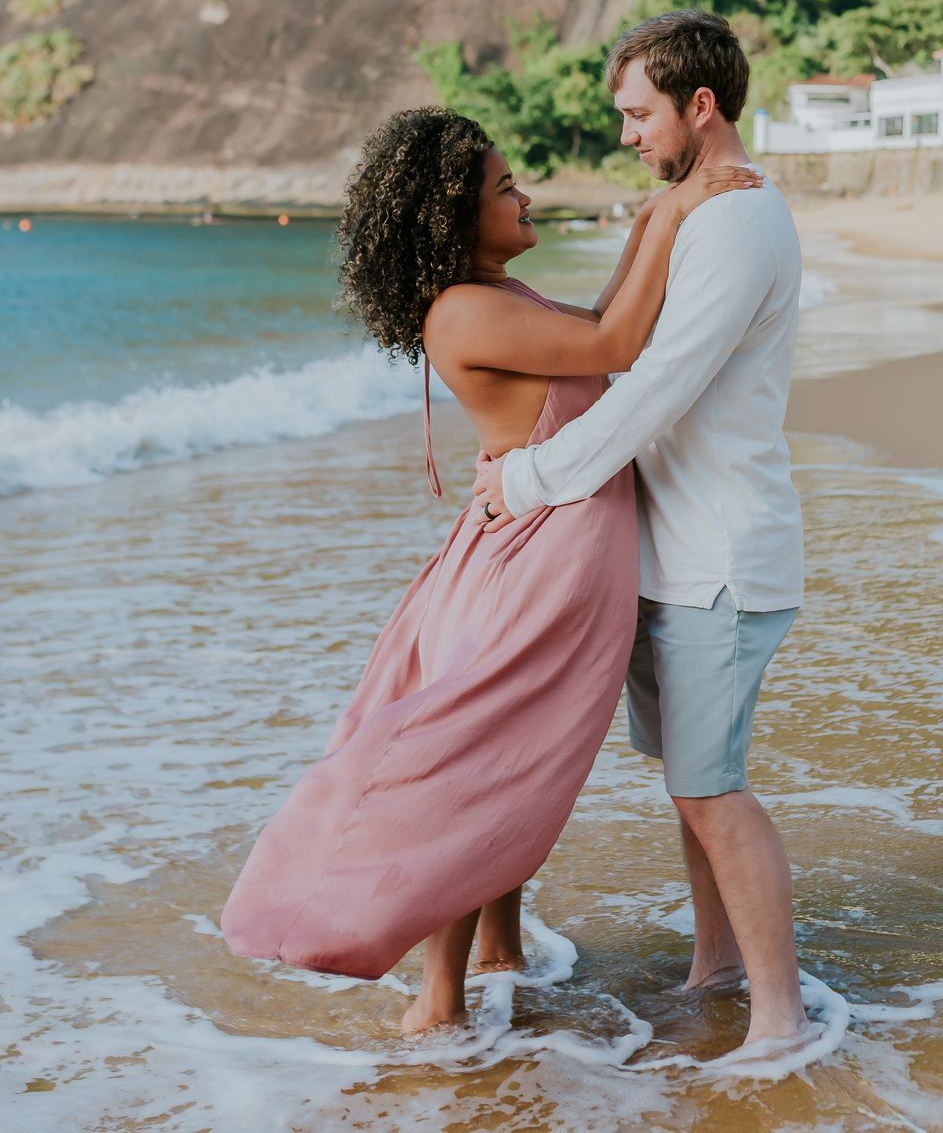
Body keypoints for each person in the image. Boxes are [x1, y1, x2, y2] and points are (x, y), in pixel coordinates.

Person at [220, 105, 758, 1034]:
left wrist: (645, 224)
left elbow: (597, 323)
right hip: (538, 555)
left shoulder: (501, 295)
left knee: (507, 759)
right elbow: (616, 347)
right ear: (452, 215)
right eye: (506, 187)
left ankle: (499, 951)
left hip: (536, 544)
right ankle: (439, 998)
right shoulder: (466, 310)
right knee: (477, 764)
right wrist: (675, 211)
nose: (525, 195)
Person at [473, 10, 810, 1054]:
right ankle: (717, 970)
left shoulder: (738, 220)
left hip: (719, 557)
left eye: (637, 113)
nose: (626, 133)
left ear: (698, 106)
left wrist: (526, 478)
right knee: (690, 788)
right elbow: (610, 336)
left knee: (713, 789)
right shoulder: (696, 208)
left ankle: (780, 1018)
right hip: (676, 552)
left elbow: (655, 386)